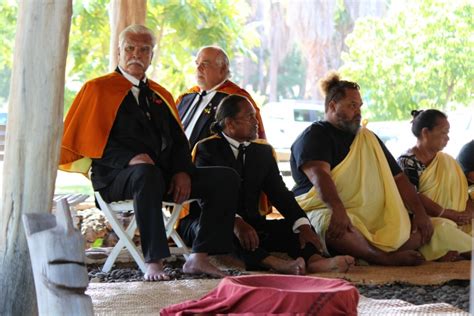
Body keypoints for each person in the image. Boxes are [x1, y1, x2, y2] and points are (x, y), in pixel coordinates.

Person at [59, 24, 240, 281]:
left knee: (225, 178)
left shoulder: (160, 94)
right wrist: (128, 159)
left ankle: (200, 256)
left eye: (144, 50)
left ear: (151, 56)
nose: (137, 54)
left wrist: (181, 171)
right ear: (119, 52)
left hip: (158, 175)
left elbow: (178, 142)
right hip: (115, 178)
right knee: (146, 172)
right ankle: (154, 261)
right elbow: (88, 144)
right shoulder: (97, 89)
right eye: (130, 48)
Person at [190, 94, 355, 274]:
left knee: (295, 226)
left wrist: (303, 225)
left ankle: (314, 261)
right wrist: (236, 222)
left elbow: (280, 194)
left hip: (253, 225)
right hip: (207, 225)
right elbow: (206, 199)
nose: (256, 122)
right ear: (230, 123)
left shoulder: (262, 152)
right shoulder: (207, 149)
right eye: (250, 116)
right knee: (230, 233)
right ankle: (274, 263)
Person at [290, 72, 434, 266]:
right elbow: (320, 176)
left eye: (359, 106)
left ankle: (368, 251)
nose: (358, 112)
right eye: (352, 105)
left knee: (424, 229)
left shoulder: (367, 138)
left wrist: (419, 212)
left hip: (368, 213)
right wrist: (338, 209)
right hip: (324, 207)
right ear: (332, 105)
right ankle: (381, 257)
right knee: (334, 225)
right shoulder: (315, 135)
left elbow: (399, 178)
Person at [397, 109, 472, 260]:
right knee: (442, 229)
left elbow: (463, 193)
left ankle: (457, 250)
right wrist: (447, 214)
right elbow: (413, 196)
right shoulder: (408, 161)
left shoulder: (447, 161)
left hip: (456, 218)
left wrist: (465, 214)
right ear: (425, 133)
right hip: (425, 220)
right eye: (444, 133)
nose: (448, 138)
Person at [176, 46, 266, 148]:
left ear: (223, 69)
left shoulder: (237, 100)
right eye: (197, 63)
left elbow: (251, 140)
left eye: (205, 64)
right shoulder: (186, 97)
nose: (198, 68)